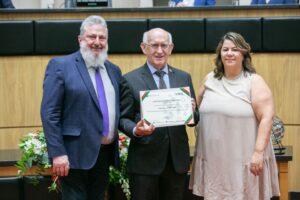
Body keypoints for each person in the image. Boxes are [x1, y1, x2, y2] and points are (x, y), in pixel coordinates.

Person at [41, 15, 128, 200]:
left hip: (104, 155)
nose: (97, 42)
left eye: (102, 38)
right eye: (91, 37)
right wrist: (58, 153)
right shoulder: (60, 66)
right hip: (73, 156)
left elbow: (120, 108)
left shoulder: (114, 70)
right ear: (80, 39)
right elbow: (50, 114)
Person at [189, 32, 280, 199]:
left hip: (243, 158)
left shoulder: (254, 81)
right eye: (225, 49)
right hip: (213, 158)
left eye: (235, 49)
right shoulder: (209, 79)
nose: (229, 53)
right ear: (220, 53)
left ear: (243, 53)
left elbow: (267, 118)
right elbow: (193, 109)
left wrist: (258, 152)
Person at [119, 28, 199, 200]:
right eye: (154, 45)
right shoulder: (129, 79)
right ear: (144, 48)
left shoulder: (183, 77)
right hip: (144, 163)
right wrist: (136, 130)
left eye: (164, 45)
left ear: (171, 48)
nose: (159, 50)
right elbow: (122, 118)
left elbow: (193, 119)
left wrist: (192, 112)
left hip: (176, 161)